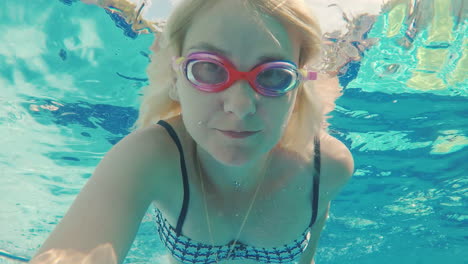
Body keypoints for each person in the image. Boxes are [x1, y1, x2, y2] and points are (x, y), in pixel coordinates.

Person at [30, 0, 354, 263]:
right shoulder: (149, 157)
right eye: (209, 69)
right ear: (176, 78)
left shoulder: (328, 165)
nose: (240, 106)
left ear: (297, 91)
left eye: (273, 76)